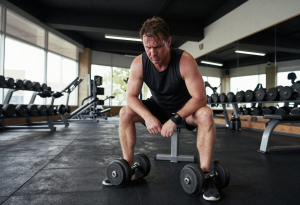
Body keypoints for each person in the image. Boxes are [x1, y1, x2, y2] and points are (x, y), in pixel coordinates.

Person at [103, 17, 219, 201]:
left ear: (169, 42)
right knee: (125, 112)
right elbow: (131, 96)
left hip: (184, 109)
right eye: (147, 47)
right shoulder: (139, 63)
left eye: (157, 47)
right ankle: (129, 167)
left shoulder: (185, 61)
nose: (152, 52)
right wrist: (148, 117)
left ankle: (206, 176)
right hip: (157, 107)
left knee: (206, 113)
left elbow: (200, 98)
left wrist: (175, 119)